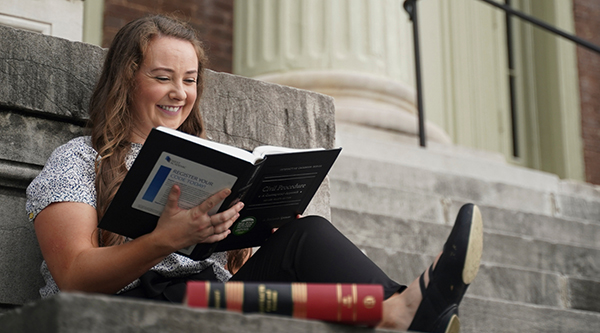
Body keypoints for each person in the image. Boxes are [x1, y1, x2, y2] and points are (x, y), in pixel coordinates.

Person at [26, 15, 483, 333]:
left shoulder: (210, 161)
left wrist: (258, 223)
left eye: (189, 80)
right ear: (127, 79)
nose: (179, 93)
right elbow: (75, 276)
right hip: (126, 310)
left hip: (213, 303)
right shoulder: (80, 160)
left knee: (306, 236)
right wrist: (164, 239)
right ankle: (398, 312)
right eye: (163, 76)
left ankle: (394, 311)